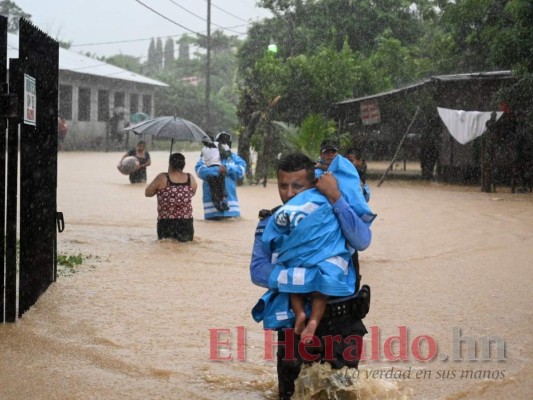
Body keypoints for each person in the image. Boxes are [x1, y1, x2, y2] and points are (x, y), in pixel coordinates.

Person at [250, 153, 375, 400]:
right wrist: (307, 278)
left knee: (343, 393)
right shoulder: (272, 222)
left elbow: (362, 240)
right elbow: (258, 270)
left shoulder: (335, 212)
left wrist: (337, 198)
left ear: (313, 185)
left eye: (297, 186)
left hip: (342, 322)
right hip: (293, 326)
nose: (289, 194)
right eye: (283, 186)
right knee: (290, 394)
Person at [144, 153, 197, 242]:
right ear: (183, 165)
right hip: (186, 223)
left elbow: (148, 193)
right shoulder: (190, 178)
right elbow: (192, 193)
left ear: (170, 164)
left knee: (166, 250)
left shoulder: (162, 177)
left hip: (166, 222)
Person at [195, 132, 247, 220]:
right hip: (211, 208)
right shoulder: (206, 157)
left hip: (232, 208)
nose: (224, 144)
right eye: (222, 142)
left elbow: (242, 170)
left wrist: (227, 168)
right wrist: (217, 170)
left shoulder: (233, 157)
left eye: (226, 142)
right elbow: (199, 170)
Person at [200, 136, 230, 211]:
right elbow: (225, 154)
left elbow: (201, 160)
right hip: (219, 169)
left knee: (213, 189)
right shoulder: (217, 145)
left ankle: (217, 203)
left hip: (209, 170)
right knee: (222, 186)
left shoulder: (203, 150)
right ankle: (224, 200)